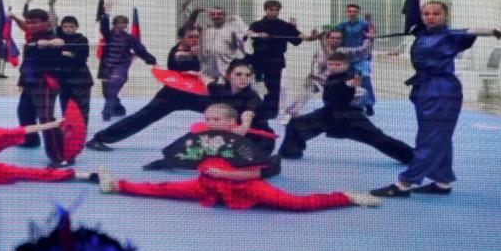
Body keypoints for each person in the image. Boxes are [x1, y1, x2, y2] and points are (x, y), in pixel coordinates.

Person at [97, 103, 380, 210]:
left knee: (295, 204)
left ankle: (347, 197)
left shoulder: (244, 144)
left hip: (246, 186)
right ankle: (116, 185)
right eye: (207, 119)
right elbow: (195, 155)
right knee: (161, 189)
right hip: (207, 186)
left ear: (230, 123)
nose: (209, 123)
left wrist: (226, 173)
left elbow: (258, 172)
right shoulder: (204, 138)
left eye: (216, 119)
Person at [370, 0, 501, 197]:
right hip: (423, 89)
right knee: (439, 137)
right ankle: (443, 181)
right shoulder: (422, 33)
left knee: (429, 139)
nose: (431, 17)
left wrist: (496, 30)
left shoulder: (451, 35)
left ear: (445, 16)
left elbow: (472, 30)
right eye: (426, 13)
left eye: (436, 13)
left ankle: (404, 184)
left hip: (442, 91)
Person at [278, 51, 414, 163]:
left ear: (346, 65)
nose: (333, 67)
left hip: (349, 118)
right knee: (295, 125)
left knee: (379, 139)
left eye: (338, 65)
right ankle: (290, 152)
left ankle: (413, 157)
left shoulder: (348, 78)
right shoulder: (330, 75)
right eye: (331, 64)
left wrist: (353, 84)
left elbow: (350, 83)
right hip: (328, 116)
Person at [86, 26, 203, 151]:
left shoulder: (202, 51)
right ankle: (99, 138)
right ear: (182, 38)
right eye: (190, 37)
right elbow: (179, 62)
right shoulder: (176, 52)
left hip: (197, 94)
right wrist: (193, 56)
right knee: (142, 117)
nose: (194, 40)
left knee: (218, 113)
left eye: (197, 37)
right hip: (172, 95)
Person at [279, 28, 374, 123]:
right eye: (333, 38)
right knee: (306, 91)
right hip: (317, 81)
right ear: (328, 39)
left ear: (341, 40)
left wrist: (369, 39)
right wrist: (330, 82)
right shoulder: (319, 53)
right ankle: (290, 113)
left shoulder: (345, 52)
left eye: (338, 38)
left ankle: (346, 112)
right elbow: (315, 72)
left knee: (362, 92)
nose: (335, 40)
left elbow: (363, 52)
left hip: (339, 82)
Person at [15, 8, 68, 164]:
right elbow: (27, 63)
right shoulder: (32, 37)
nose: (31, 25)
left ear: (46, 23)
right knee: (24, 112)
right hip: (29, 82)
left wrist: (56, 45)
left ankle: (60, 156)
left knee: (46, 119)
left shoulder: (53, 38)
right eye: (29, 22)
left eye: (35, 22)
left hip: (44, 84)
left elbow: (61, 46)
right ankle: (30, 140)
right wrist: (22, 80)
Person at [97, 6, 157, 121]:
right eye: (119, 22)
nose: (122, 25)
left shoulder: (129, 38)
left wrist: (152, 60)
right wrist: (105, 14)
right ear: (114, 24)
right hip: (106, 68)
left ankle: (106, 114)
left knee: (112, 90)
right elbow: (103, 26)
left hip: (121, 68)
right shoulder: (108, 35)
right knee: (106, 93)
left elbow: (140, 50)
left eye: (124, 23)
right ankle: (119, 109)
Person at [247, 0, 302, 120]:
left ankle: (271, 113)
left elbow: (297, 41)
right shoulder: (256, 25)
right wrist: (258, 35)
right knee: (257, 87)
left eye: (277, 10)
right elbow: (248, 34)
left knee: (274, 89)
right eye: (271, 10)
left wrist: (294, 27)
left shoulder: (284, 25)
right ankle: (254, 110)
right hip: (259, 61)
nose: (274, 12)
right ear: (265, 10)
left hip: (276, 62)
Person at [334, 4, 377, 115]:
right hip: (347, 59)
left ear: (358, 13)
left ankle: (369, 105)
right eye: (350, 11)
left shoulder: (364, 24)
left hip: (362, 58)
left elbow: (372, 32)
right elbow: (332, 34)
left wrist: (370, 21)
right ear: (346, 13)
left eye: (354, 11)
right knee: (346, 82)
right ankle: (348, 104)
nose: (352, 13)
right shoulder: (342, 26)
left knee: (365, 80)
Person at [55, 15, 94, 124]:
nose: (68, 29)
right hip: (63, 79)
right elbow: (53, 23)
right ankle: (68, 127)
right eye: (65, 26)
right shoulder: (57, 38)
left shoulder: (82, 39)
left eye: (71, 26)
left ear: (76, 27)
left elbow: (80, 56)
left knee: (82, 106)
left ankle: (82, 128)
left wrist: (61, 52)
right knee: (65, 106)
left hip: (81, 79)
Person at [199, 6, 249, 80]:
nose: (216, 16)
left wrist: (238, 22)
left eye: (219, 14)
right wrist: (195, 13)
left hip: (227, 73)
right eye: (213, 14)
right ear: (210, 16)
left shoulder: (231, 29)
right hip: (209, 74)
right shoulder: (206, 30)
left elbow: (245, 39)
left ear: (224, 15)